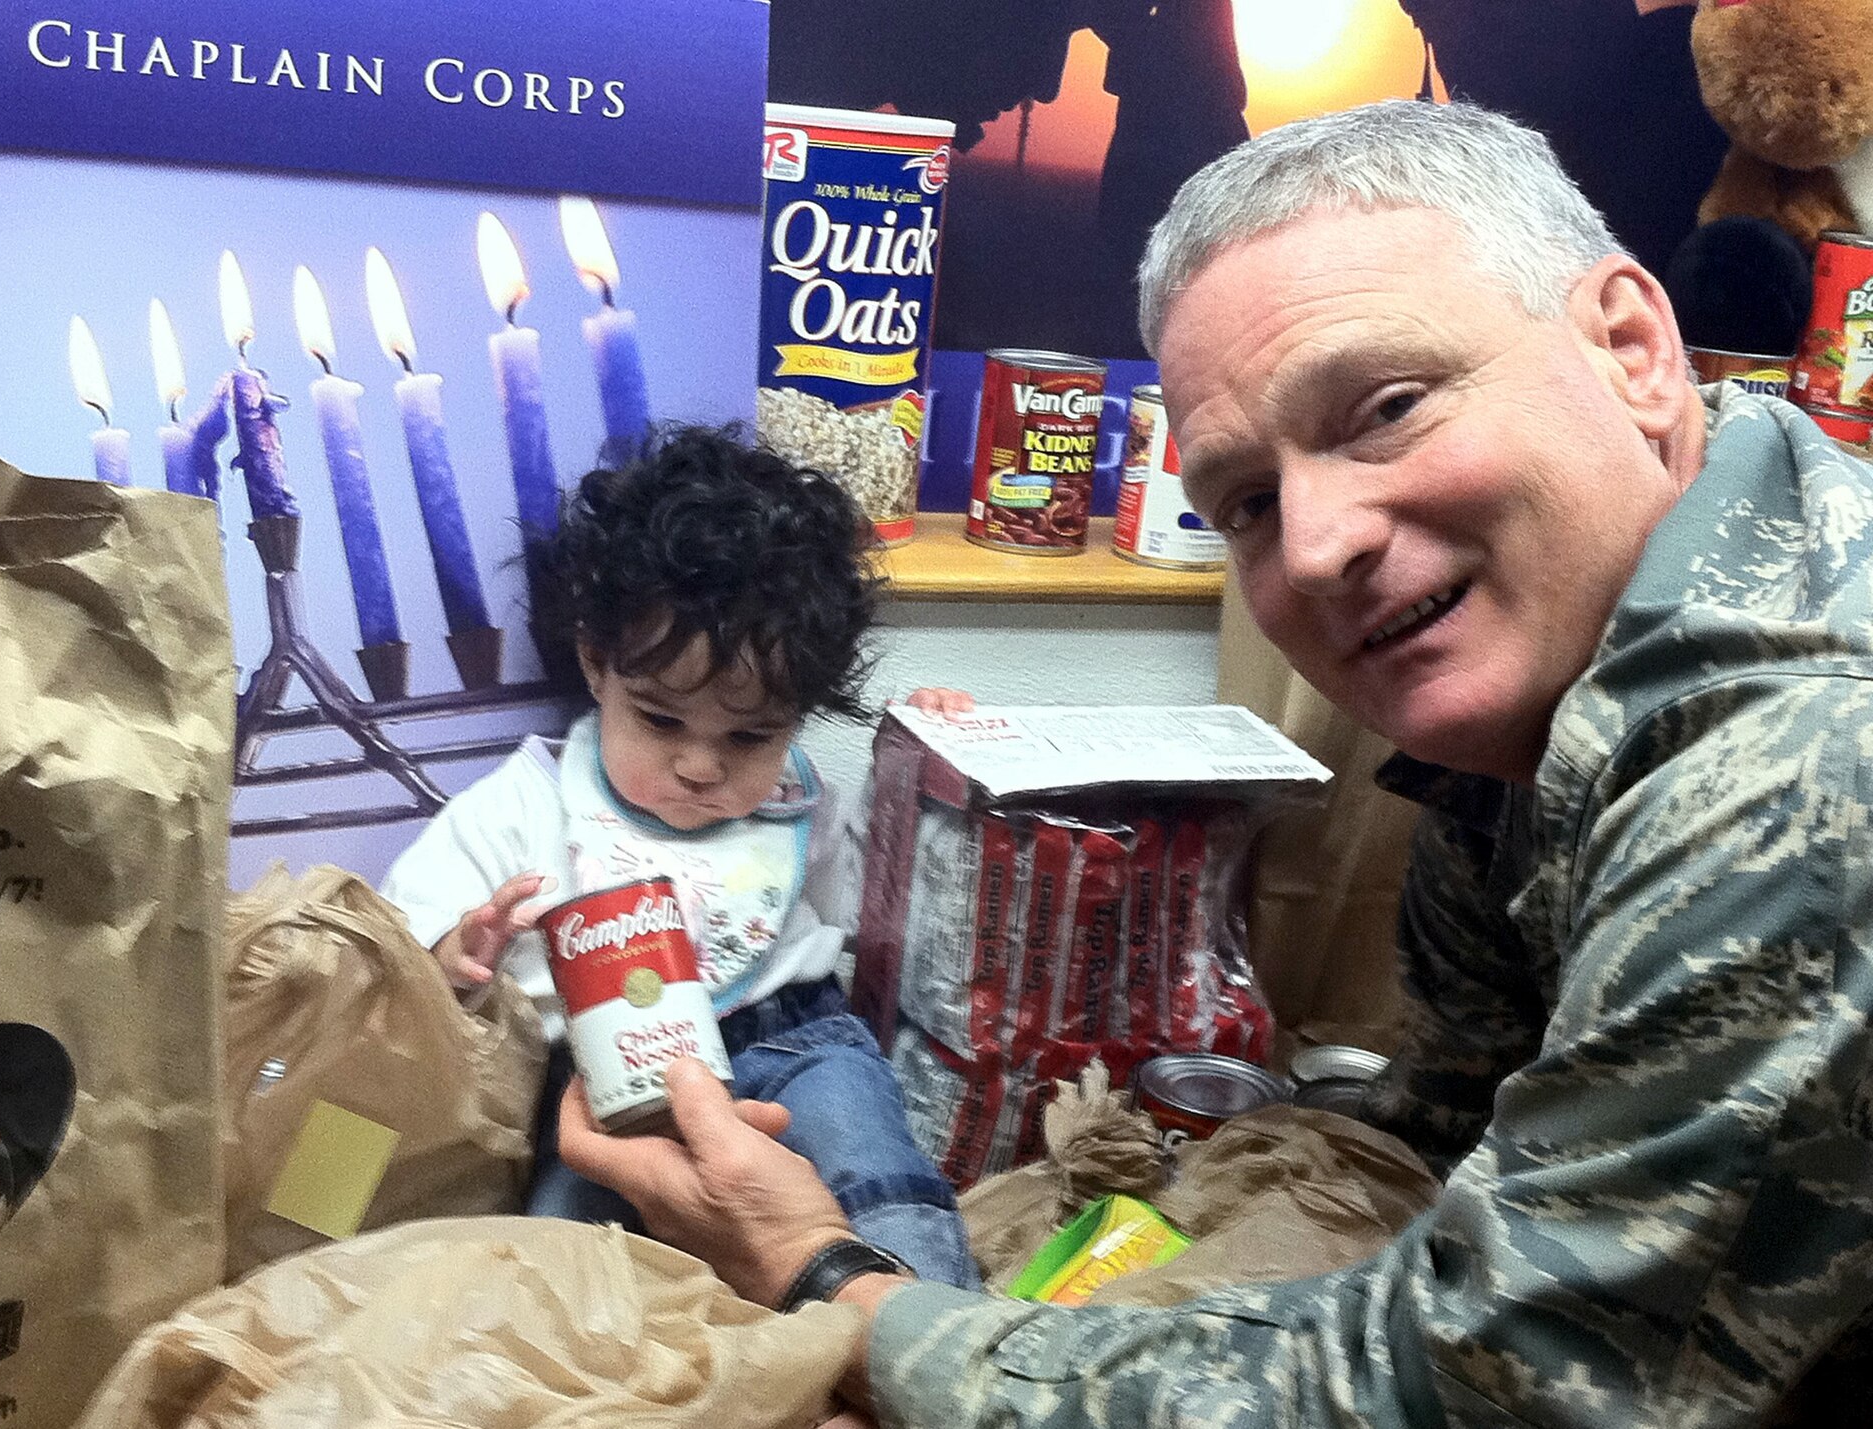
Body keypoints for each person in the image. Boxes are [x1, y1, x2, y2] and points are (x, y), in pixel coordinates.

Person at [558, 102, 1873, 1426]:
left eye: (1388, 409)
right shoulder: (1522, 725)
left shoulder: (1799, 757)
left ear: (1633, 350)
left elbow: (1483, 1386)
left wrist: (831, 1286)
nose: (1310, 548)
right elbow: (1447, 1158)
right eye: (1244, 498)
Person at [380, 425, 979, 1289]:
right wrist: (459, 955)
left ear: (799, 714)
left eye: (750, 734)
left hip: (795, 1039)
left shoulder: (798, 804)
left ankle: (935, 1337)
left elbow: (891, 896)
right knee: (554, 1242)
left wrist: (927, 752)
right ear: (596, 664)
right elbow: (403, 938)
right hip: (601, 1078)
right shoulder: (530, 801)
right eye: (661, 720)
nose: (701, 765)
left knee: (878, 1173)